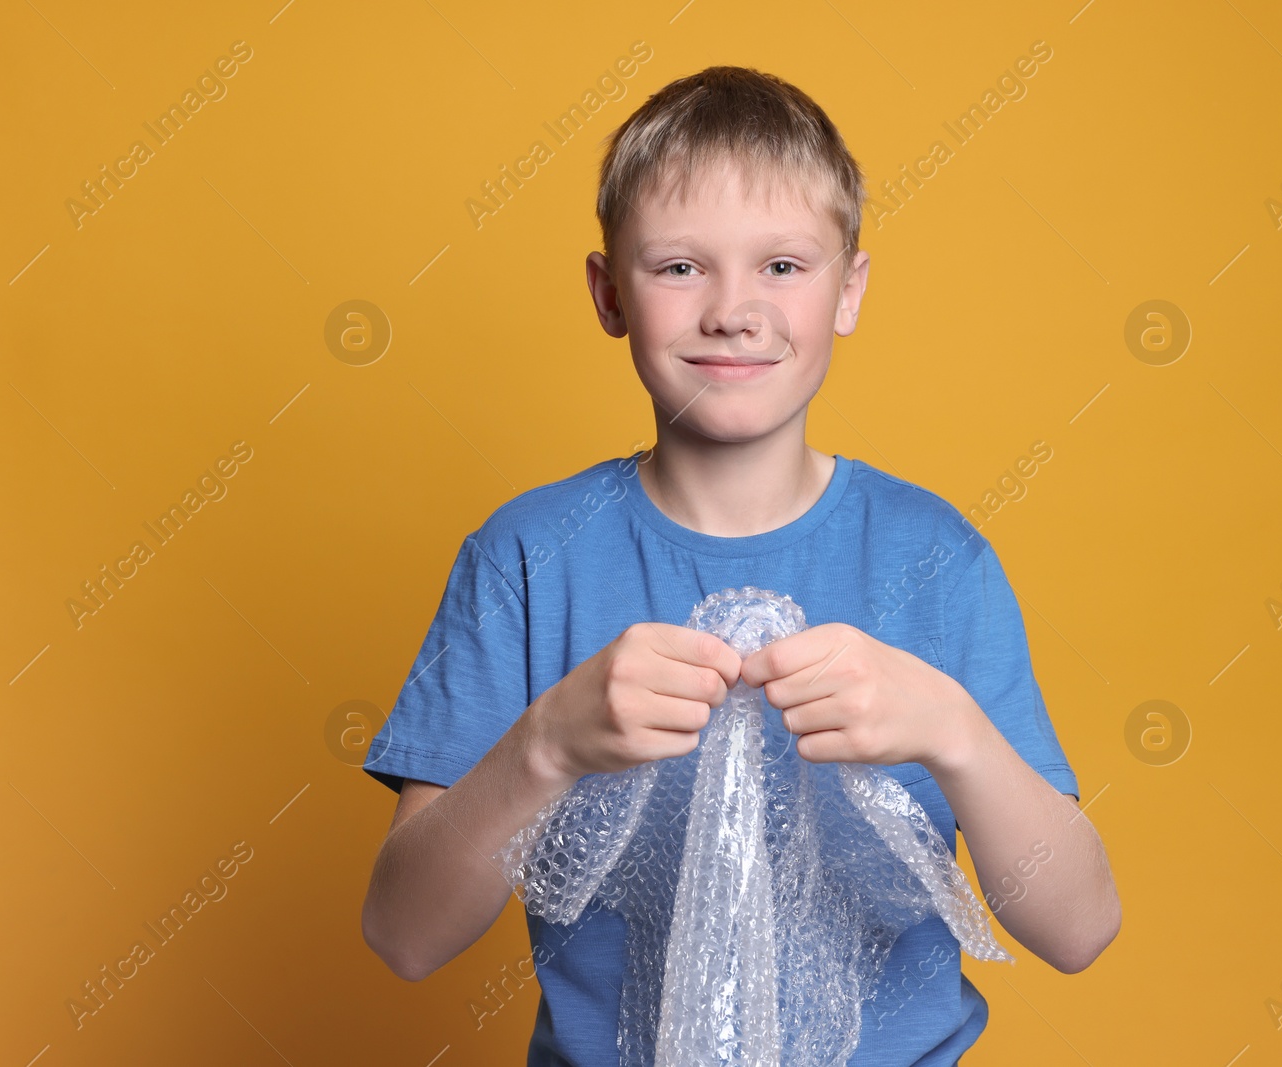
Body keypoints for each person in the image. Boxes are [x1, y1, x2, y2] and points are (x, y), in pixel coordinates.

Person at [361, 64, 1120, 1065]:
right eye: (679, 267)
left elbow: (1077, 928)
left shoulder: (937, 558)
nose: (731, 310)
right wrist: (546, 742)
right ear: (608, 293)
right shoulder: (526, 557)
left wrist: (954, 731)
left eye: (782, 266)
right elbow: (405, 933)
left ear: (848, 290)